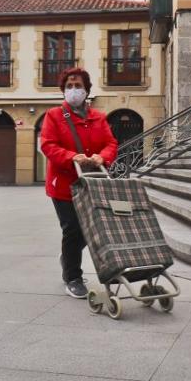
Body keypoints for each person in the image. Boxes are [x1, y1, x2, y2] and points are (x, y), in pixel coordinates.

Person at [38, 68, 119, 298]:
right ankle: (72, 276)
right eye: (69, 86)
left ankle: (68, 257)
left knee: (89, 229)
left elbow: (111, 143)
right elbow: (48, 145)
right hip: (64, 185)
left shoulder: (98, 117)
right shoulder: (54, 115)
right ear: (63, 90)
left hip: (92, 183)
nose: (74, 90)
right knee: (72, 229)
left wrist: (103, 157)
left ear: (87, 90)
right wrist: (71, 157)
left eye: (78, 86)